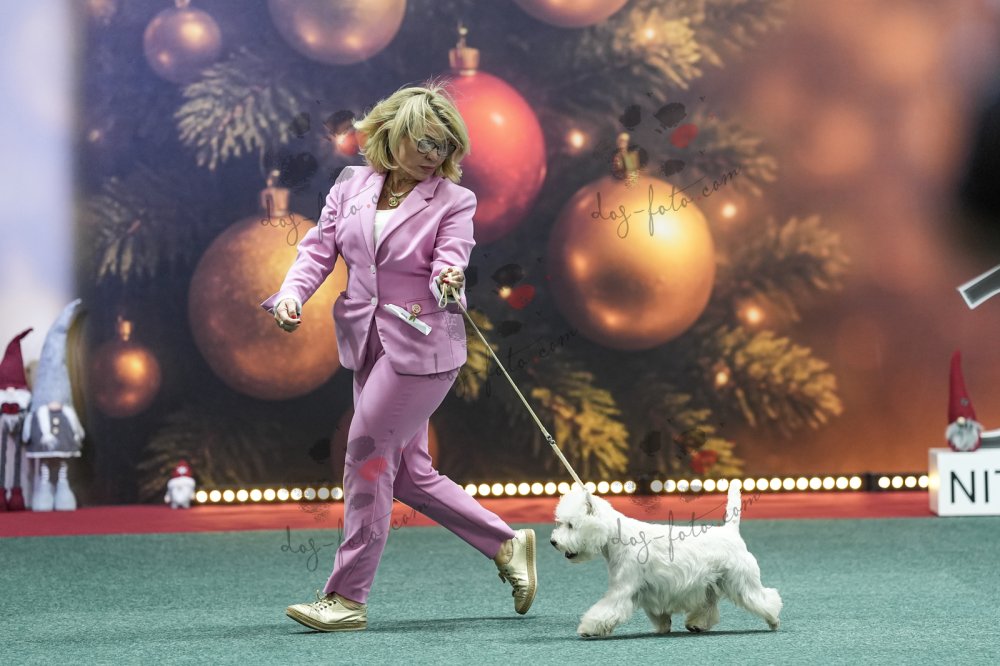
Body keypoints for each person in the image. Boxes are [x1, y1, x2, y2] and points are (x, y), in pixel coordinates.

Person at [260, 83, 537, 632]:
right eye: (424, 141)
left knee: (366, 455)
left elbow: (451, 257)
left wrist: (448, 277)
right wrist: (291, 294)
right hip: (367, 341)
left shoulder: (455, 201)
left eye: (444, 145)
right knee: (408, 474)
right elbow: (318, 250)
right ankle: (506, 544)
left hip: (424, 349)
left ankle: (346, 597)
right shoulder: (351, 184)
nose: (434, 154)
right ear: (392, 133)